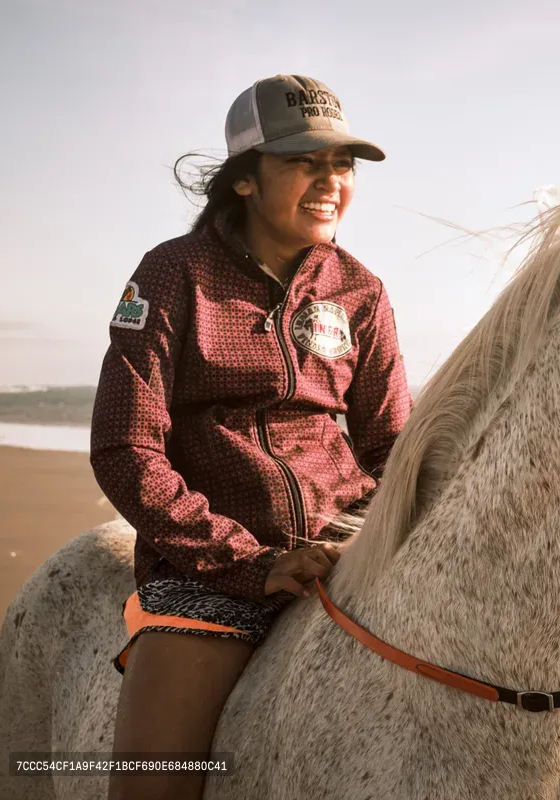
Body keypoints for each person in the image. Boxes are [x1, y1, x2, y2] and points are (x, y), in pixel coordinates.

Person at [91, 74, 412, 799]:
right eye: (305, 162)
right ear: (243, 179)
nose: (331, 181)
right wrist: (249, 562)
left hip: (340, 555)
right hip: (208, 574)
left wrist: (368, 543)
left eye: (343, 165)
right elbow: (126, 447)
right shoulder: (174, 274)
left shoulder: (361, 290)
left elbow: (393, 444)